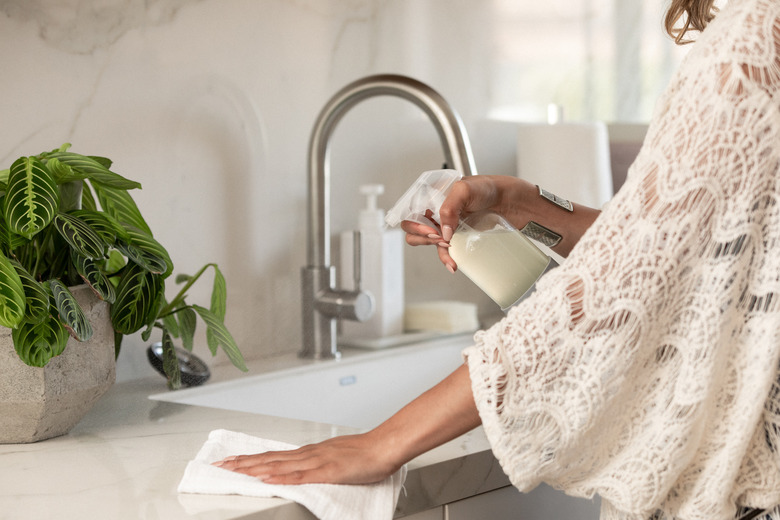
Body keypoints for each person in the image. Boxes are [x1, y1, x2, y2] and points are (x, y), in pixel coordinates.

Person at [215, 0, 780, 518]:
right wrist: (517, 203)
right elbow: (667, 245)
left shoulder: (753, 37)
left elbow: (623, 284)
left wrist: (383, 441)